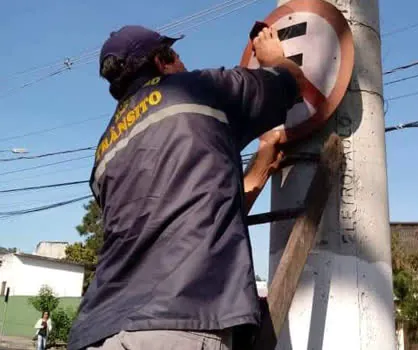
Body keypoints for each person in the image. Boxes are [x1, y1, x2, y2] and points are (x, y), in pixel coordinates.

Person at [67, 24, 304, 350]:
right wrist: (274, 59)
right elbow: (292, 83)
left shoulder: (105, 150)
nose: (184, 64)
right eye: (177, 57)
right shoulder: (196, 89)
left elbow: (194, 212)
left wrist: (261, 164)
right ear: (162, 62)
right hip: (182, 317)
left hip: (99, 330)